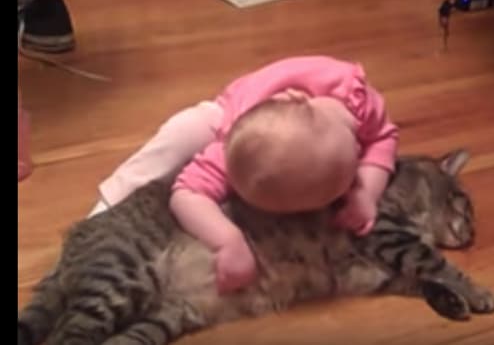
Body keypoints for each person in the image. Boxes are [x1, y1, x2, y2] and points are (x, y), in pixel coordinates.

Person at [89, 56, 399, 294]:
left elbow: (383, 138)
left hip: (296, 100)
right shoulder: (228, 152)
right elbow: (186, 195)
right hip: (229, 112)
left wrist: (366, 191)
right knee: (181, 131)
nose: (358, 144)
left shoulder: (358, 102)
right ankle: (109, 202)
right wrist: (228, 240)